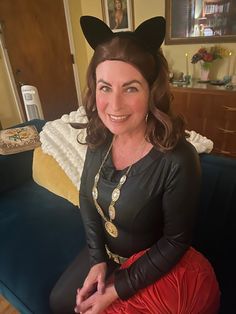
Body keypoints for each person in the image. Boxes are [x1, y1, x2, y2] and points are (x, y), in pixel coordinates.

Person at [50, 16, 220, 314]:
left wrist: (118, 288)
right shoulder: (99, 138)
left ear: (152, 90)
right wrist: (97, 260)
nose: (114, 106)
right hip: (108, 256)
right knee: (61, 303)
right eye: (105, 87)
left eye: (130, 88)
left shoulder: (179, 159)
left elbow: (175, 242)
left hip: (150, 264)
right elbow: (86, 198)